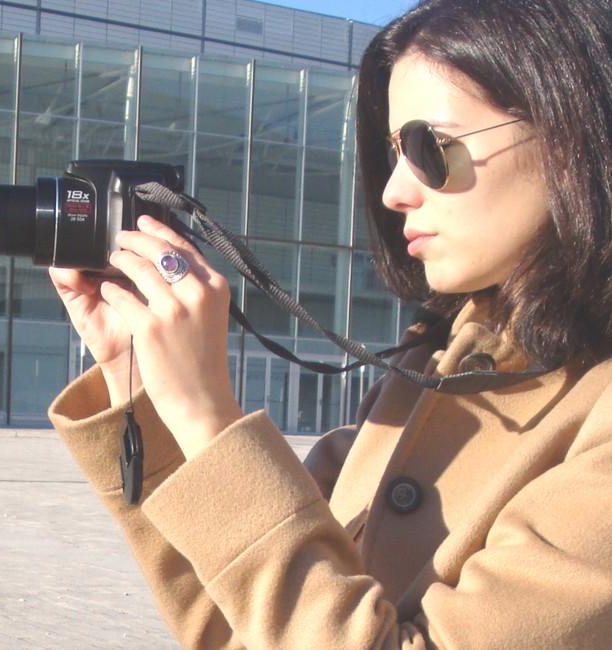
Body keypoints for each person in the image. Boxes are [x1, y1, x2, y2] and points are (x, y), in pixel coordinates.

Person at [47, 0, 612, 647]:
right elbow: (237, 627)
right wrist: (139, 384)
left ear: (575, 136)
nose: (394, 190)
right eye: (395, 150)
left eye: (432, 147)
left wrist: (208, 418)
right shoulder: (424, 377)